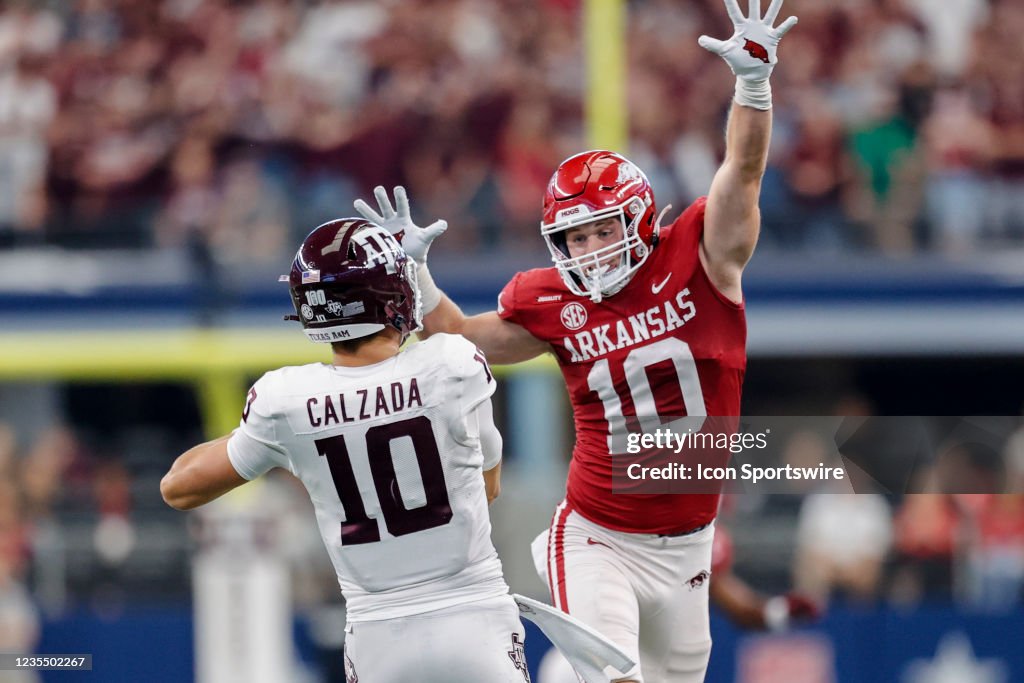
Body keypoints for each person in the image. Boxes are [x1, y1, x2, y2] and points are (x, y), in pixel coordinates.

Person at [355, 1, 797, 680]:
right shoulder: (554, 302)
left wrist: (753, 88)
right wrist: (415, 271)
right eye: (575, 236)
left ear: (641, 216)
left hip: (690, 550)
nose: (588, 249)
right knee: (614, 677)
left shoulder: (702, 257)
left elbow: (741, 170)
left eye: (600, 229)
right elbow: (462, 336)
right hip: (598, 536)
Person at [160, 218, 533, 683]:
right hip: (474, 615)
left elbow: (177, 488)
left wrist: (267, 437)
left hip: (378, 634)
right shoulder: (452, 364)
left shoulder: (285, 404)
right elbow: (488, 488)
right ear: (394, 298)